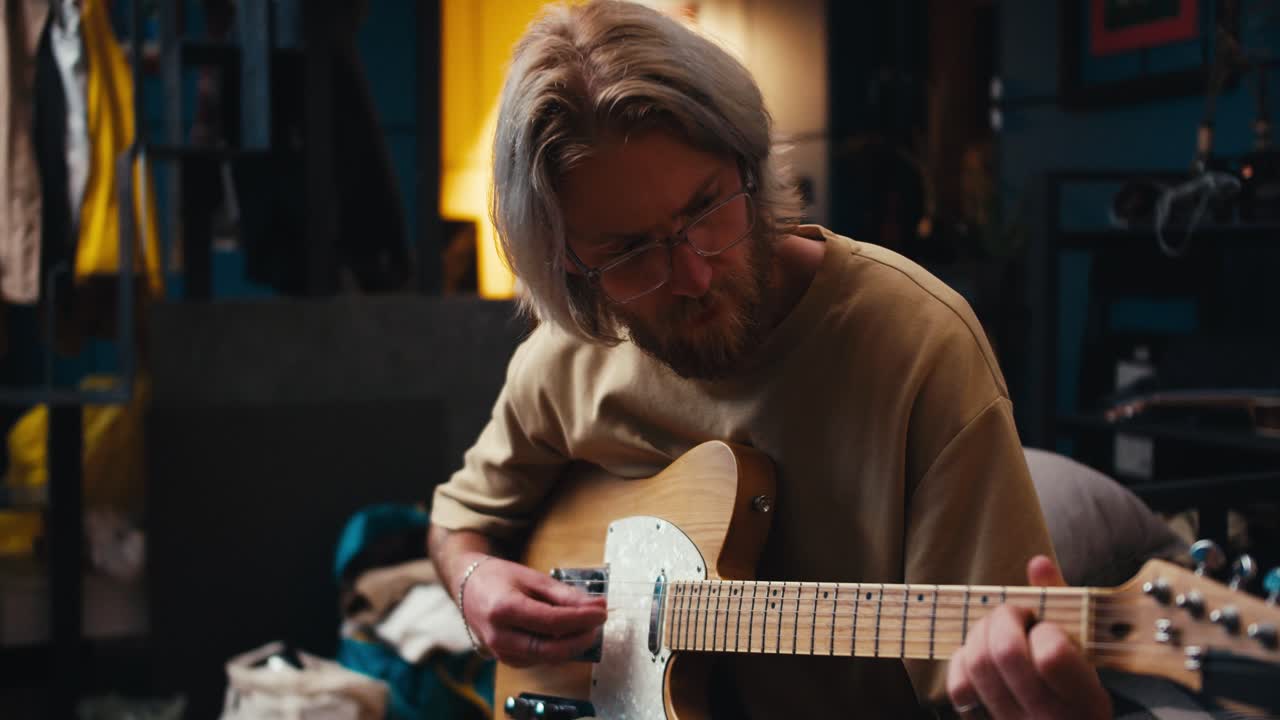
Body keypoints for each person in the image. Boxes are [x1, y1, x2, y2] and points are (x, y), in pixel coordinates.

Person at [427, 1, 1112, 717]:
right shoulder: (566, 359)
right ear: (568, 264)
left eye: (705, 208)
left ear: (747, 164)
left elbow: (1006, 672)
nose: (693, 275)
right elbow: (457, 522)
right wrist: (473, 581)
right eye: (629, 251)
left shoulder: (919, 346)